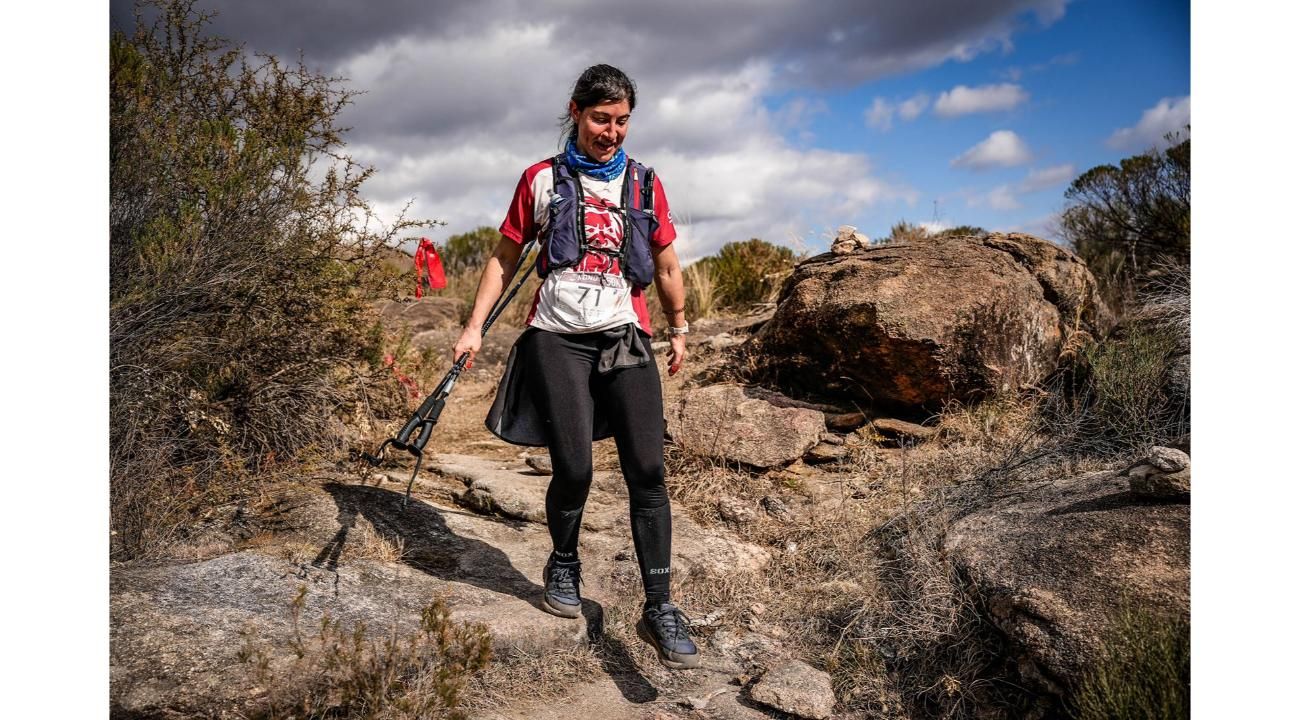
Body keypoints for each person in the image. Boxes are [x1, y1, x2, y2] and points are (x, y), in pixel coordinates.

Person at [452, 64, 698, 670]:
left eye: (621, 122)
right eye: (599, 119)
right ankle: (563, 561)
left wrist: (679, 326)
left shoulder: (644, 184)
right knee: (576, 467)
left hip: (627, 337)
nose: (611, 133)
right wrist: (473, 325)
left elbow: (667, 265)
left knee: (647, 469)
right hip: (556, 340)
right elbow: (503, 258)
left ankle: (660, 606)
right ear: (576, 112)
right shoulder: (540, 180)